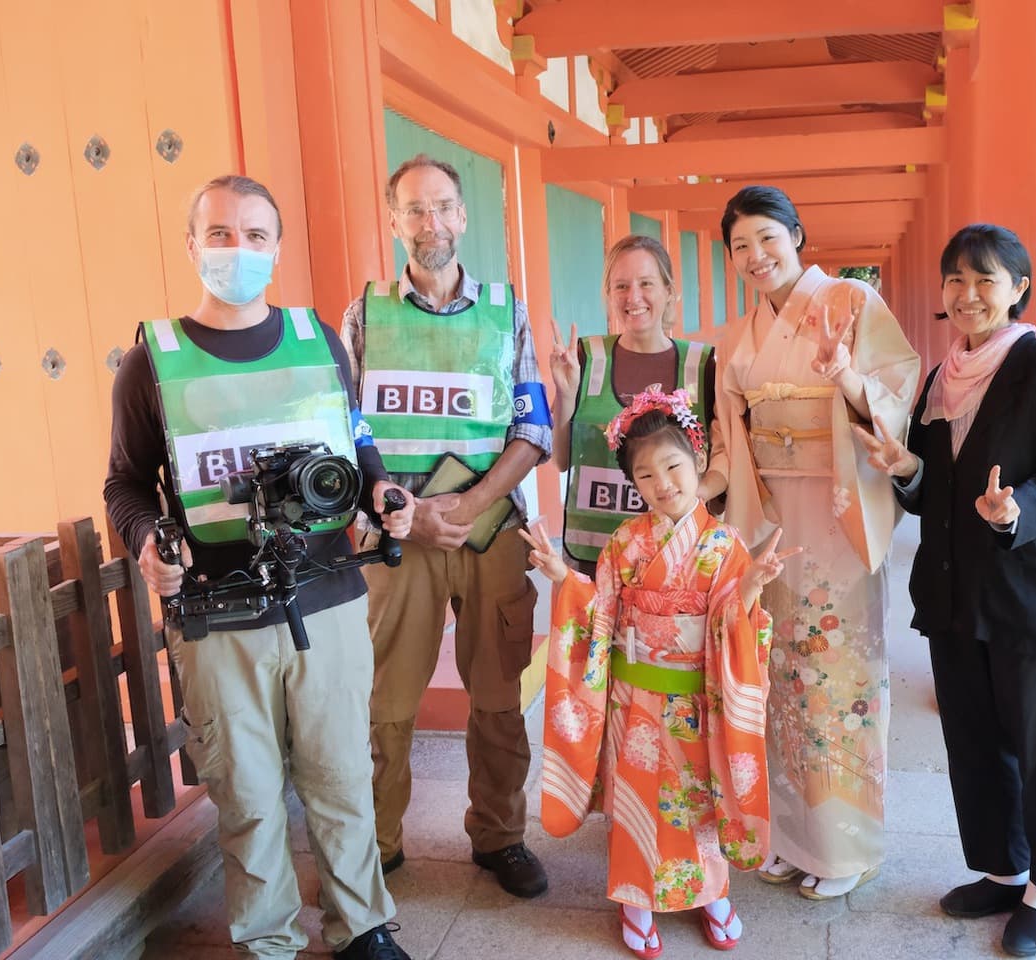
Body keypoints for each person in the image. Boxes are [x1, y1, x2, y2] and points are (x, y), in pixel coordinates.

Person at [104, 174, 413, 960]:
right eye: (218, 233)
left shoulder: (319, 340)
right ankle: (267, 942)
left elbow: (356, 435)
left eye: (253, 235)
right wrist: (146, 540)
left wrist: (379, 488)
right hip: (218, 610)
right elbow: (127, 483)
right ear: (191, 246)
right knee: (245, 795)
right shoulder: (152, 364)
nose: (236, 249)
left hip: (329, 593)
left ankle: (363, 929)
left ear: (276, 249)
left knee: (344, 775)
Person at [856, 223, 1036, 956]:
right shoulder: (940, 379)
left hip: (1026, 593)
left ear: (1018, 288)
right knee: (975, 741)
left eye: (985, 279)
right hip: (955, 595)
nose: (967, 294)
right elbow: (931, 495)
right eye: (955, 280)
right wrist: (904, 467)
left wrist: (1019, 510)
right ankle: (1001, 868)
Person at [340, 154, 551, 899]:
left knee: (497, 696)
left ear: (463, 217)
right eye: (414, 210)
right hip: (400, 537)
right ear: (395, 221)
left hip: (490, 531)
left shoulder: (507, 309)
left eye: (442, 208)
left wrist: (468, 504)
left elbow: (533, 424)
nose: (430, 223)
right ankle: (379, 845)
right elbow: (348, 430)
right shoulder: (364, 314)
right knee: (388, 703)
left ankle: (500, 836)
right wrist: (409, 513)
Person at [524, 389, 797, 957]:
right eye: (644, 475)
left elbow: (733, 619)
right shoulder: (626, 542)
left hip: (698, 699)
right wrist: (560, 575)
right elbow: (598, 609)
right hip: (633, 698)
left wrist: (749, 586)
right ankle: (635, 898)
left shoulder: (723, 544)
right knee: (638, 802)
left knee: (698, 799)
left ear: (697, 460)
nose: (662, 482)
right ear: (634, 484)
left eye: (672, 465)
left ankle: (711, 893)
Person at [704, 186, 919, 899]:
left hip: (834, 510)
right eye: (740, 245)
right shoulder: (733, 340)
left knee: (837, 675)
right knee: (776, 678)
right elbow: (728, 439)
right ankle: (791, 837)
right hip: (767, 515)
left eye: (768, 237)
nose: (756, 255)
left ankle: (847, 848)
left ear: (797, 235)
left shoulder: (853, 305)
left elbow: (896, 390)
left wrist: (846, 377)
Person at [549, 234, 715, 577]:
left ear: (668, 290)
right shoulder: (586, 357)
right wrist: (565, 395)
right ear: (608, 295)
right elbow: (562, 460)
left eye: (646, 283)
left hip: (675, 559)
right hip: (592, 556)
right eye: (621, 286)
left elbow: (722, 456)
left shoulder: (702, 364)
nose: (633, 297)